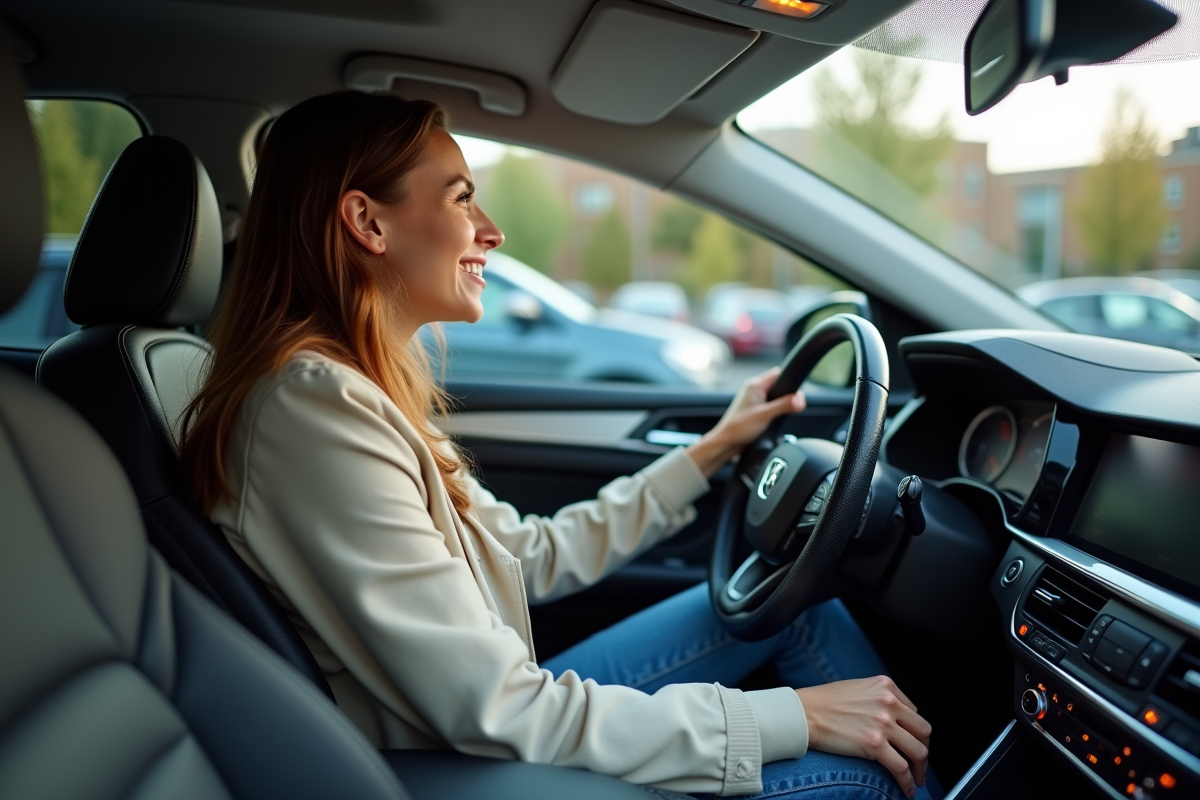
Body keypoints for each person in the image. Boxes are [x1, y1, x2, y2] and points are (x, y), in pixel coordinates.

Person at [181, 91, 935, 800]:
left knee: (790, 610)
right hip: (455, 768)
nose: (491, 230)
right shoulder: (315, 410)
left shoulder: (353, 390)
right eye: (460, 196)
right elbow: (502, 712)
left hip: (479, 728)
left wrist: (710, 450)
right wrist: (794, 718)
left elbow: (527, 553)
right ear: (367, 223)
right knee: (862, 778)